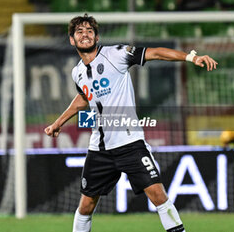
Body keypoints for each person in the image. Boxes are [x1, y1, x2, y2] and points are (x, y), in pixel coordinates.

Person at [44, 14, 218, 232]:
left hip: (130, 143)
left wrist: (190, 58)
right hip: (100, 148)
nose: (85, 34)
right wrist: (59, 122)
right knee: (87, 204)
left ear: (97, 37)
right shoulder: (77, 72)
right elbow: (84, 98)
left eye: (89, 31)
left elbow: (154, 53)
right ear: (72, 40)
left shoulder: (116, 54)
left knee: (157, 194)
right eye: (79, 31)